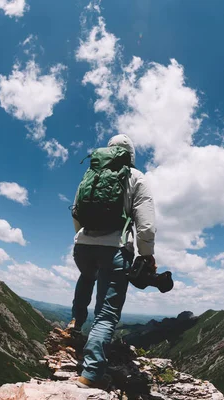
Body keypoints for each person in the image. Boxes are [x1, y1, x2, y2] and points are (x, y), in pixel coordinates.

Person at [70, 134, 156, 389]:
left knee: (87, 276)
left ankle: (75, 321)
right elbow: (147, 225)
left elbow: (76, 210)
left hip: (83, 244)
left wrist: (83, 237)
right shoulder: (136, 177)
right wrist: (147, 255)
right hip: (115, 249)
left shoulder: (91, 174)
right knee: (106, 314)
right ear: (131, 156)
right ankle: (92, 373)